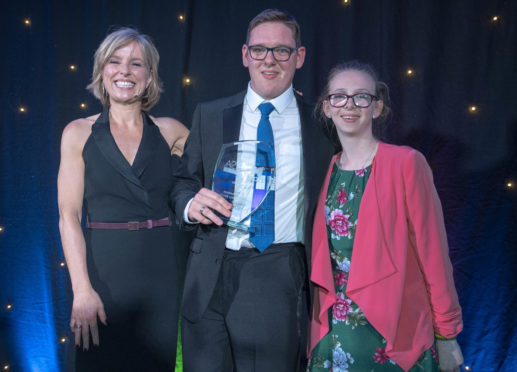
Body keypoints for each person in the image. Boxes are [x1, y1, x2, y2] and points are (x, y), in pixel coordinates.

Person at [170, 8, 334, 372]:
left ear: (299, 56)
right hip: (208, 270)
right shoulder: (209, 115)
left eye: (282, 50)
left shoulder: (322, 124)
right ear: (245, 55)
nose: (269, 60)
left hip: (277, 270)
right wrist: (190, 203)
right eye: (259, 50)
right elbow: (183, 182)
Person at [307, 60, 464, 372]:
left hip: (395, 337)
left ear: (376, 107)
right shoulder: (324, 170)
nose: (349, 105)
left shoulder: (406, 163)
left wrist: (447, 334)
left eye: (361, 97)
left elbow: (433, 255)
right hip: (331, 334)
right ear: (327, 107)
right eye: (339, 96)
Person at [57, 27, 189, 371]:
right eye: (115, 61)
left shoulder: (171, 131)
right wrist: (82, 290)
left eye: (136, 64)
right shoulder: (77, 133)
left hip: (161, 272)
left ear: (149, 76)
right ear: (103, 71)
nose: (125, 71)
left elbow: (218, 174)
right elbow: (68, 216)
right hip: (103, 273)